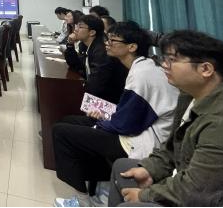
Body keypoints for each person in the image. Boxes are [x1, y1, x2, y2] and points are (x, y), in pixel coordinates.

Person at [108, 30, 223, 207]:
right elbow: (172, 148)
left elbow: (198, 188)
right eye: (164, 58)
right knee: (122, 167)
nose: (164, 65)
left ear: (205, 69)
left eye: (172, 60)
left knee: (130, 205)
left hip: (209, 199)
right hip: (188, 179)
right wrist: (151, 169)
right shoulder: (189, 96)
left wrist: (145, 195)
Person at [54, 21, 180, 207]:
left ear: (132, 47)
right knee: (70, 122)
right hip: (137, 130)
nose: (107, 43)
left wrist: (100, 123)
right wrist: (104, 119)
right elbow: (130, 112)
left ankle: (83, 201)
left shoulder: (142, 73)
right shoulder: (141, 66)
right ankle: (100, 189)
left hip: (142, 141)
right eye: (108, 38)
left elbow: (126, 124)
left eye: (113, 40)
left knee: (61, 133)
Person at [64, 14, 128, 104]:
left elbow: (96, 86)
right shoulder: (86, 45)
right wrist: (70, 44)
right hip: (98, 95)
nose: (75, 29)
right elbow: (75, 64)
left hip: (109, 102)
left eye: (80, 27)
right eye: (76, 26)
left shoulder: (101, 51)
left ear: (92, 32)